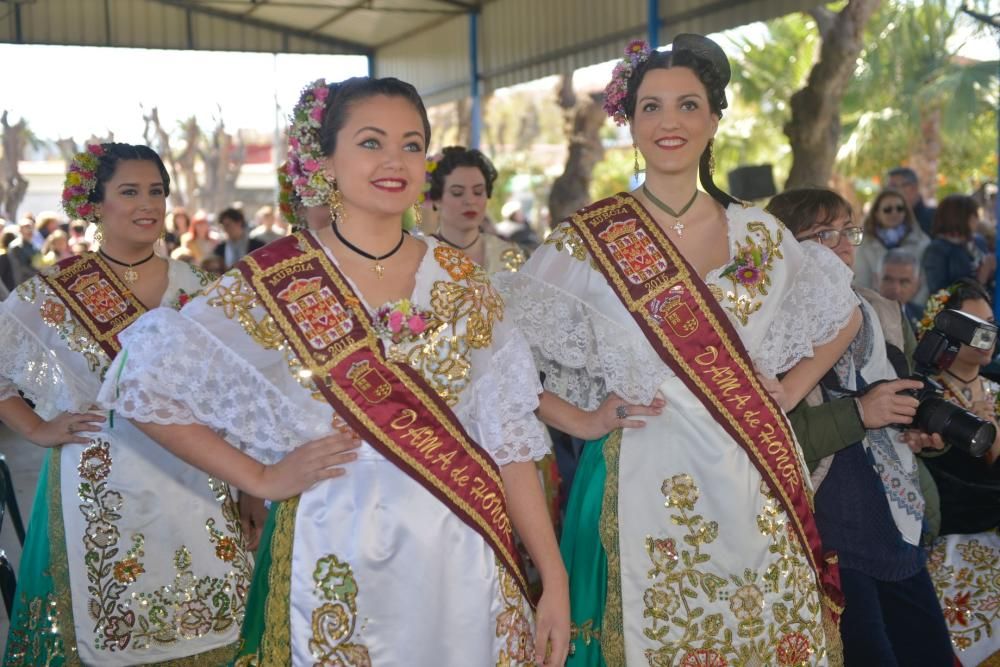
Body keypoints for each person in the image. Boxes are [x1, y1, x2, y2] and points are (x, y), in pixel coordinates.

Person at [98, 76, 652, 666]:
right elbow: (141, 384)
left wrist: (554, 579)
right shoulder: (275, 279)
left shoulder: (462, 282)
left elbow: (510, 441)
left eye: (411, 145)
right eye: (370, 142)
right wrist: (260, 477)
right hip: (336, 547)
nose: (394, 160)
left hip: (464, 549)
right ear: (327, 162)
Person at [497, 36, 863, 665]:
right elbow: (497, 362)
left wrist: (792, 388)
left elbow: (844, 315)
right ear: (631, 122)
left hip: (754, 475)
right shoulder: (586, 242)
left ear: (715, 119)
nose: (670, 122)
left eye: (689, 105)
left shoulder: (762, 235)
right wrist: (582, 421)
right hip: (642, 476)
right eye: (652, 107)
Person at [0, 143, 248, 666]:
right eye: (130, 192)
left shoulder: (201, 291)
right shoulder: (58, 292)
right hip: (99, 488)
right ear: (94, 205)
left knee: (213, 623)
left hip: (197, 484)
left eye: (156, 191)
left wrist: (250, 488)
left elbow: (235, 394)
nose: (148, 205)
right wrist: (37, 429)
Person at [767, 187, 954, 666]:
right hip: (828, 538)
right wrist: (857, 414)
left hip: (901, 524)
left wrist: (925, 436)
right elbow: (770, 440)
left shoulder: (884, 311)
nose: (845, 245)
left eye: (847, 230)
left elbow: (909, 393)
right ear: (784, 247)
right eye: (823, 235)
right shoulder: (769, 329)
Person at [919, 279, 1000, 665]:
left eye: (991, 323)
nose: (988, 336)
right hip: (947, 541)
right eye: (975, 326)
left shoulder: (998, 386)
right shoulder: (926, 394)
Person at [426, 146, 529, 272]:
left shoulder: (509, 255)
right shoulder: (420, 257)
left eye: (478, 192)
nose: (470, 200)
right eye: (457, 192)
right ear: (437, 199)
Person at [854, 188, 930, 307]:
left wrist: (913, 313)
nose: (894, 213)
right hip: (876, 310)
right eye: (887, 209)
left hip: (912, 312)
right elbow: (862, 283)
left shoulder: (922, 241)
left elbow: (924, 283)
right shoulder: (864, 245)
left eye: (899, 208)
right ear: (877, 213)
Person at [922, 194, 995, 294]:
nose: (977, 220)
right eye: (973, 216)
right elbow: (940, 294)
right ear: (959, 218)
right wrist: (980, 280)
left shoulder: (978, 242)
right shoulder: (937, 250)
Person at [878, 248, 924, 330]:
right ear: (877, 279)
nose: (896, 289)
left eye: (904, 282)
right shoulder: (861, 315)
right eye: (888, 280)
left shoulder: (923, 317)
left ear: (916, 284)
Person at [888, 167, 936, 236]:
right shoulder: (887, 218)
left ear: (914, 187)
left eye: (893, 187)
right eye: (889, 188)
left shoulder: (934, 218)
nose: (889, 192)